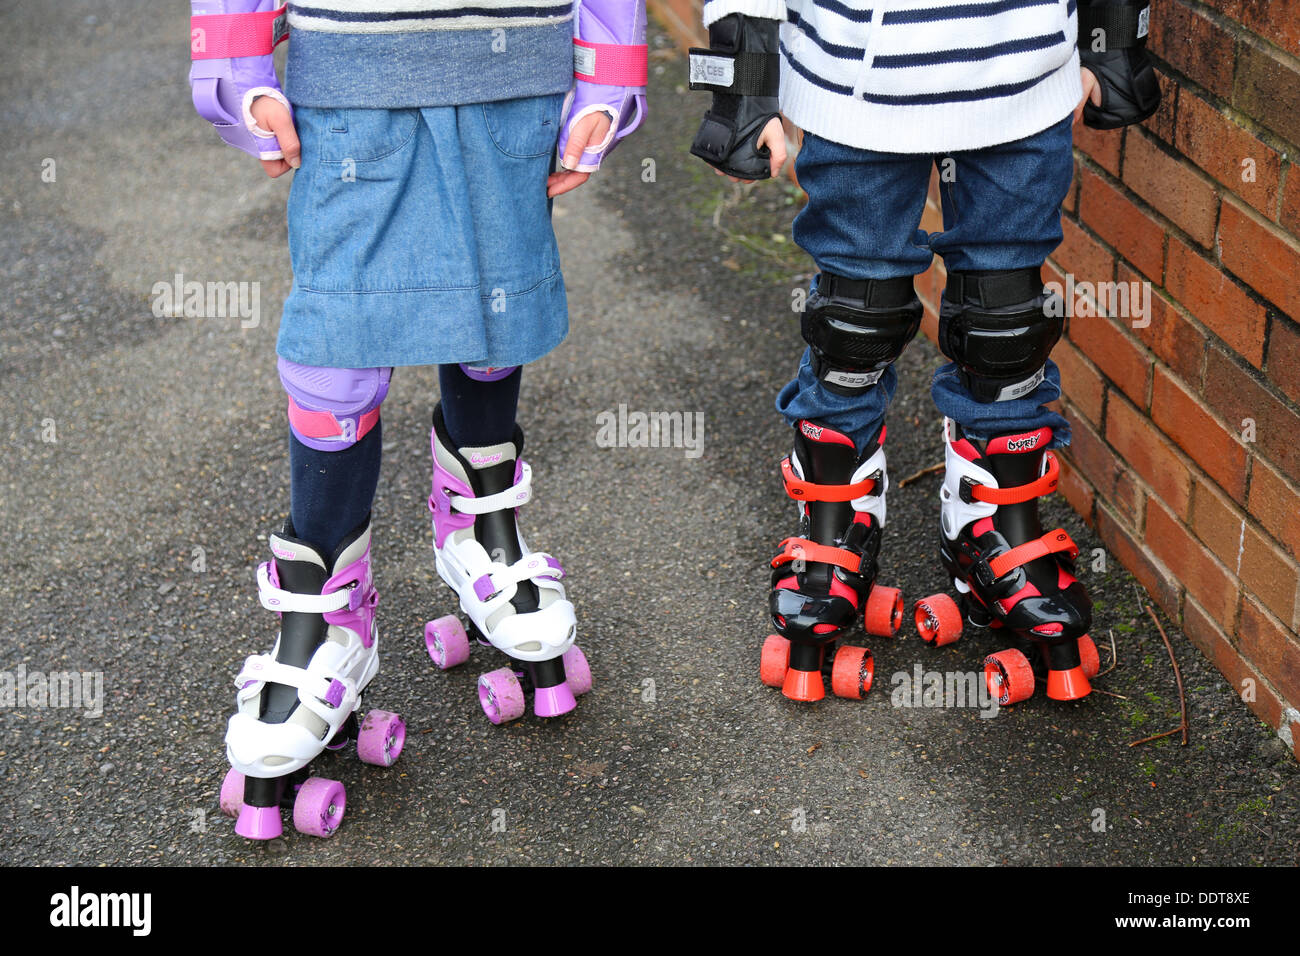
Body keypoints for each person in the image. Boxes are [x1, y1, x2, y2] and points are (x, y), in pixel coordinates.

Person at [190, 0, 647, 839]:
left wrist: (606, 76)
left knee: (491, 321)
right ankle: (323, 615)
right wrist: (237, 68)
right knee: (334, 361)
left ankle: (480, 529)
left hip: (513, 78)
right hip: (354, 88)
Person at [689, 0, 1158, 704]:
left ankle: (994, 520)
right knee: (854, 318)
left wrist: (1112, 34)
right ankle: (836, 520)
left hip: (1023, 74)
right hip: (853, 87)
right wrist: (746, 76)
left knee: (1006, 322)